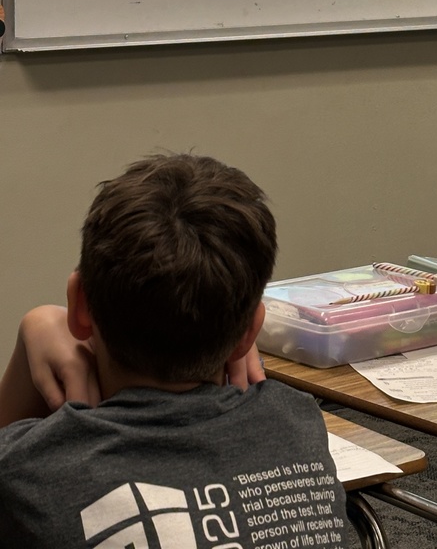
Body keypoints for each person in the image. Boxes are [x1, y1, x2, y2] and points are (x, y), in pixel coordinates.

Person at [0, 153, 351, 548]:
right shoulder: (296, 421)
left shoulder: (33, 467)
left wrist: (33, 329)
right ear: (250, 332)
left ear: (79, 305)